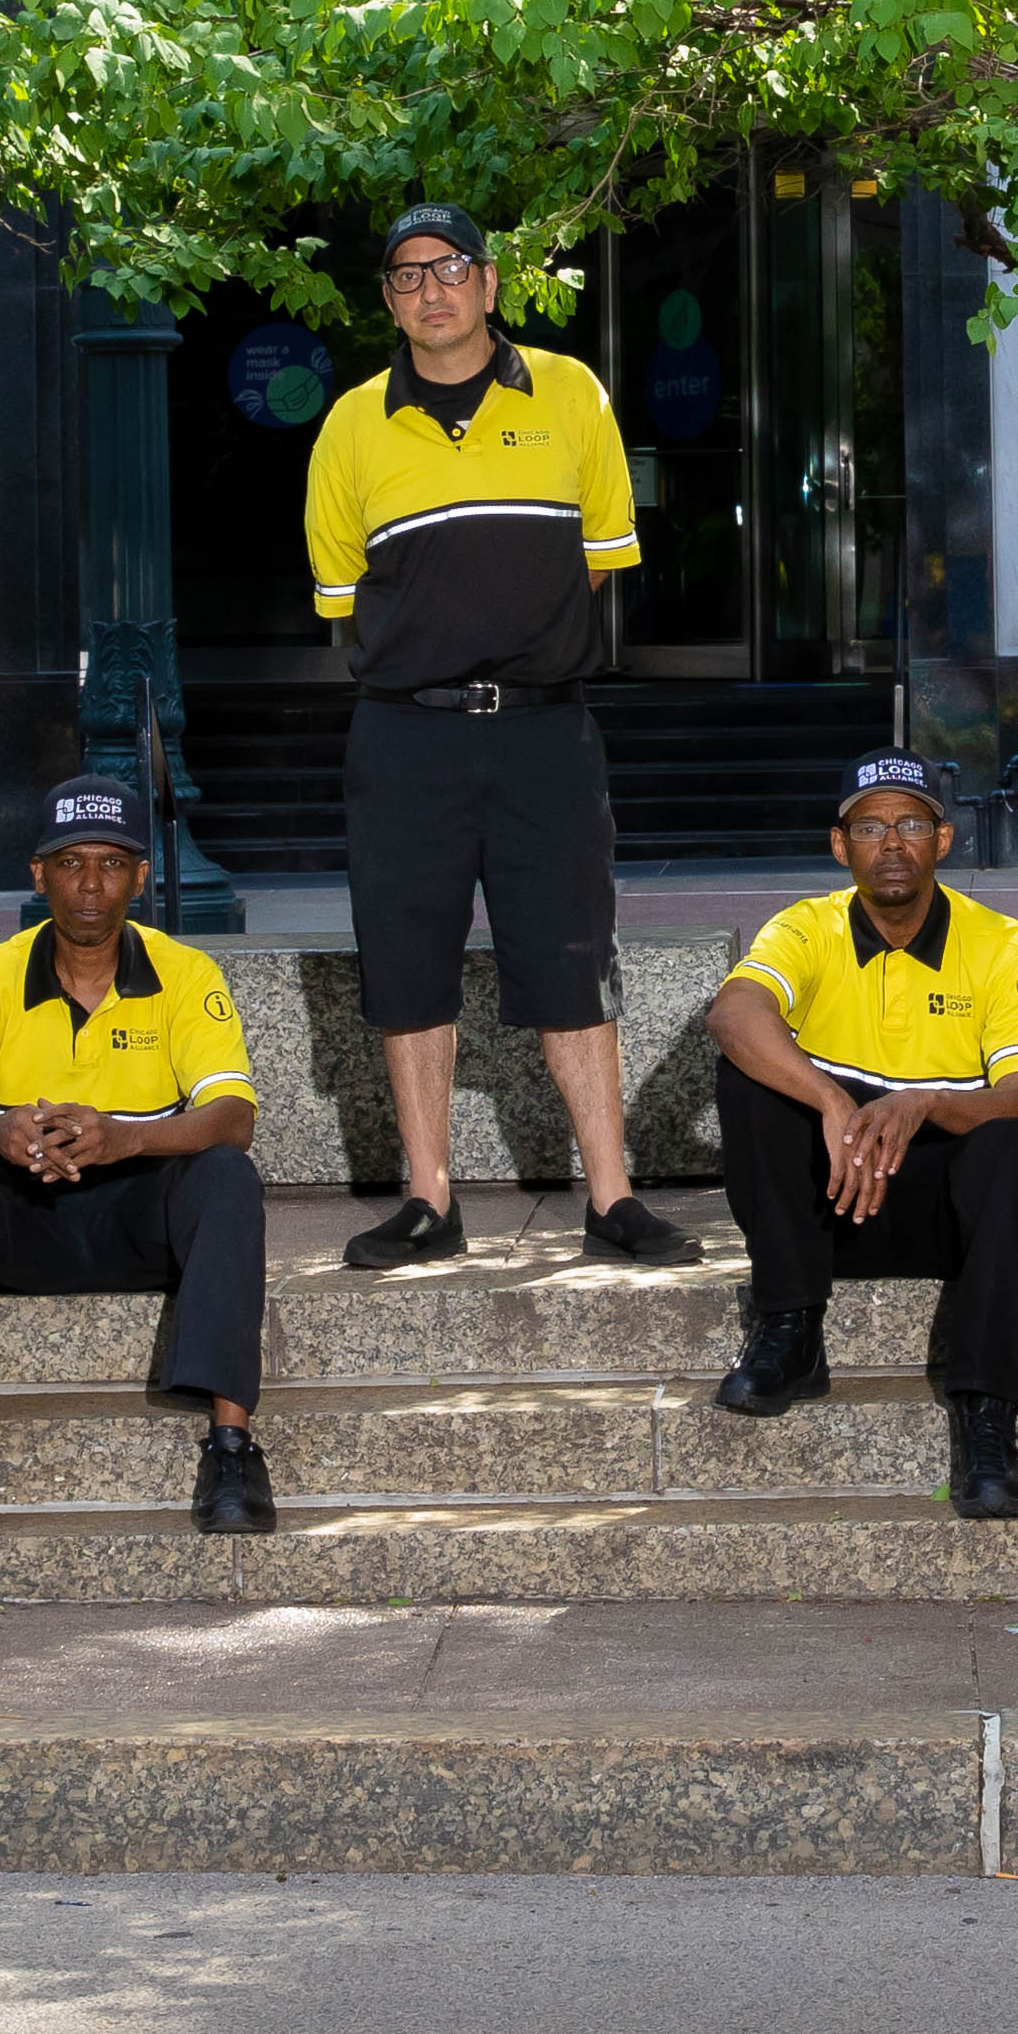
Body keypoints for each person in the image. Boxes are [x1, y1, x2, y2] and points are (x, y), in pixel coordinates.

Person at [303, 203, 689, 1273]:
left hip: (544, 733)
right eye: (407, 276)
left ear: (489, 282)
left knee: (573, 958)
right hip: (404, 738)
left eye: (450, 269)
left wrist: (516, 645)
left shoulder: (571, 393)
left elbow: (601, 555)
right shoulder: (351, 425)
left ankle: (612, 1195)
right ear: (390, 301)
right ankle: (430, 1198)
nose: (431, 290)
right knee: (407, 968)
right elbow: (344, 592)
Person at [0, 776, 275, 1543]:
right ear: (38, 875)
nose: (91, 885)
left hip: (144, 1228)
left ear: (141, 877)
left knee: (227, 1175)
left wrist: (125, 1137)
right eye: (71, 863)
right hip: (26, 1227)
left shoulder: (186, 973)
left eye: (112, 864)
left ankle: (233, 1450)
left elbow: (233, 1117)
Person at [703, 753, 1018, 1522]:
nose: (891, 843)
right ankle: (791, 1330)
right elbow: (732, 1015)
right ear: (841, 846)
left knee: (1017, 1152)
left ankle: (988, 1420)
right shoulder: (806, 926)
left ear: (944, 839)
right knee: (750, 1076)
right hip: (828, 1210)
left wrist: (924, 1103)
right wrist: (831, 1102)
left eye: (910, 824)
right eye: (869, 827)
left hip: (947, 1220)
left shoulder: (1004, 944)